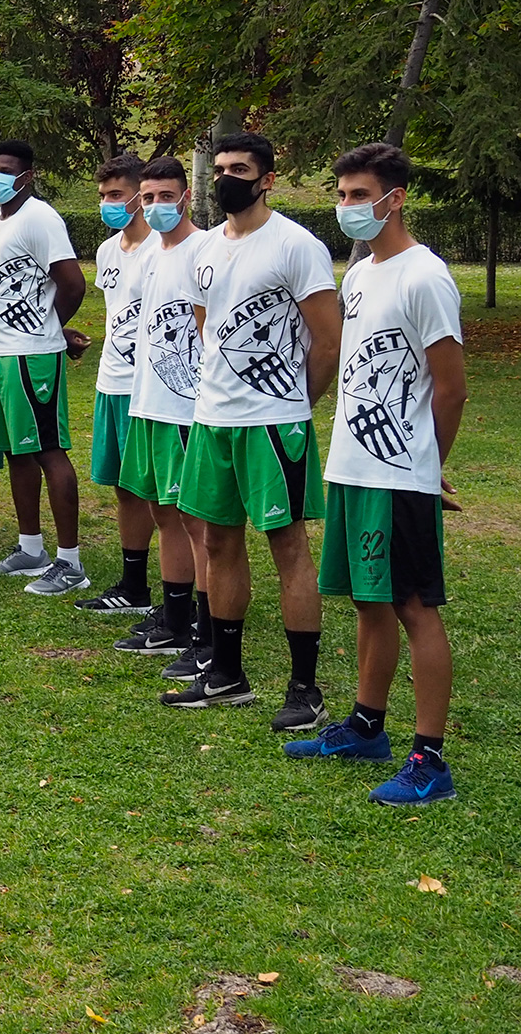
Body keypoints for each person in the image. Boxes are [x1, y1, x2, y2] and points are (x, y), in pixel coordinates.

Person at [285, 142, 466, 805]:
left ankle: (431, 758)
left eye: (360, 195)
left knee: (414, 606)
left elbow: (451, 389)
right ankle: (366, 724)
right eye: (341, 194)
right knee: (368, 599)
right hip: (353, 468)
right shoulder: (359, 274)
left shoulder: (426, 276)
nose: (347, 206)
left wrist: (429, 462)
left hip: (400, 476)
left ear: (396, 199)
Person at [163, 130, 340, 733]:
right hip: (212, 420)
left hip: (272, 424)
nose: (226, 178)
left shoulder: (297, 245)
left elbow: (329, 340)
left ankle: (305, 688)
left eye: (239, 168)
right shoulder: (204, 248)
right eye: (218, 169)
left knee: (288, 548)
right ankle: (227, 674)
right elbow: (205, 326)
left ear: (267, 178)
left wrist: (292, 404)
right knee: (217, 543)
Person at [0, 139, 90, 594]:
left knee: (47, 450)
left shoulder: (40, 218)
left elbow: (73, 284)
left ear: (28, 176)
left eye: (6, 170)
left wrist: (49, 330)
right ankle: (30, 549)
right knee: (17, 451)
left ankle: (71, 562)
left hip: (31, 355)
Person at [112, 157, 213, 672]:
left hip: (184, 407)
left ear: (186, 198)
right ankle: (173, 618)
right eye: (147, 198)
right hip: (146, 400)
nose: (155, 207)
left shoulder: (204, 250)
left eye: (164, 197)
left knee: (195, 522)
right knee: (160, 512)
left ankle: (204, 627)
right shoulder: (152, 254)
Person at [79, 154, 157, 611]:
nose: (109, 204)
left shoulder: (165, 250)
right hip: (112, 381)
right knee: (124, 487)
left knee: (158, 491)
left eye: (117, 195)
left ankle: (181, 595)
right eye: (103, 196)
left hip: (152, 389)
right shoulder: (108, 251)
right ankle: (133, 585)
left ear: (139, 197)